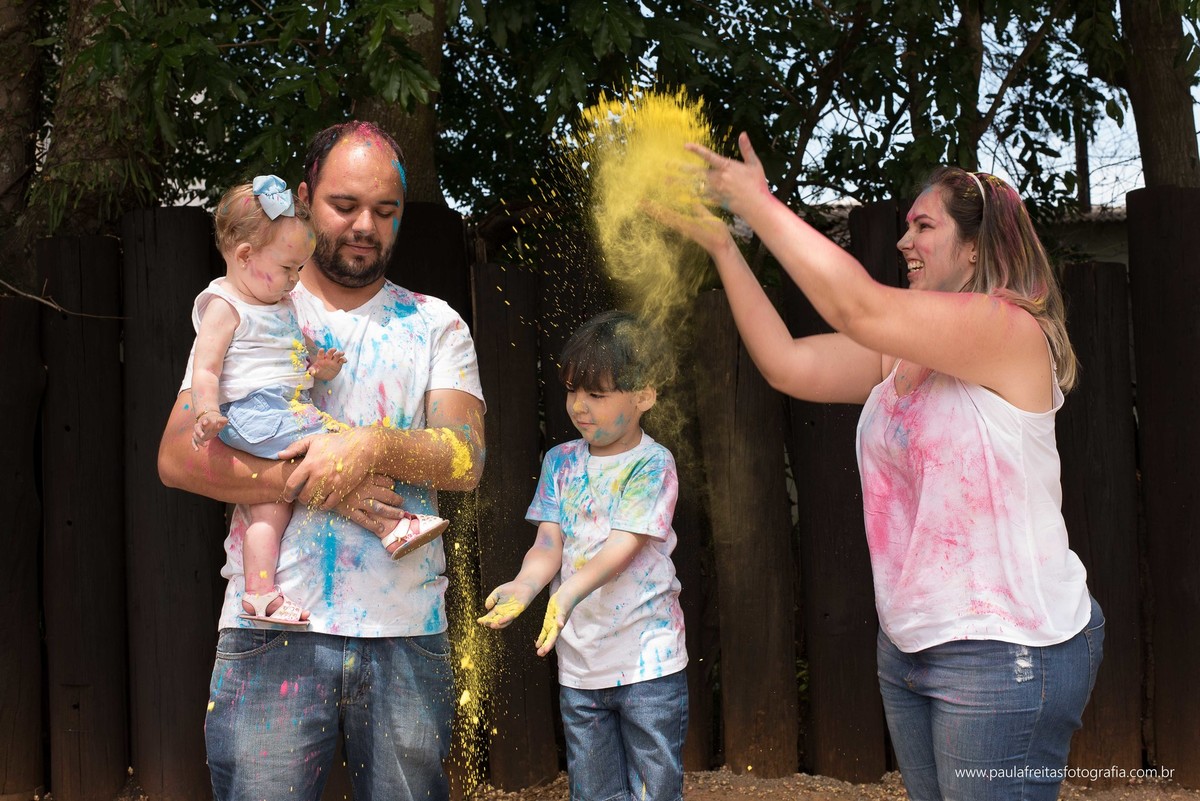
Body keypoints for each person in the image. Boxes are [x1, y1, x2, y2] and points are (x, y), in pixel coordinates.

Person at [658, 133, 1103, 801]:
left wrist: (758, 201)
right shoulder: (899, 356)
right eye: (905, 226)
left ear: (976, 248)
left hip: (1008, 651)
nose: (904, 241)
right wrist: (725, 245)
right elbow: (785, 362)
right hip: (911, 647)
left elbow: (856, 304)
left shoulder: (1010, 331)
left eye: (925, 225)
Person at [158, 120, 485, 801]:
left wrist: (368, 445)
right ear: (304, 199)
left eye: (386, 211)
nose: (366, 224)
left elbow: (467, 459)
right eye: (345, 205)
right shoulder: (248, 302)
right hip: (269, 628)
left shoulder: (437, 323)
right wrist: (315, 482)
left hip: (406, 635)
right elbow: (177, 458)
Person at [188, 175, 449, 627]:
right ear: (245, 256)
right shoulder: (224, 305)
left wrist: (318, 369)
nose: (295, 279)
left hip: (281, 408)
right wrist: (207, 410)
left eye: (298, 269)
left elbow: (291, 354)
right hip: (258, 413)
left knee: (269, 511)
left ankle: (261, 594)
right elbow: (206, 370)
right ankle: (392, 525)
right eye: (289, 268)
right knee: (346, 447)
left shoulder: (279, 302)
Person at [477, 310, 688, 801]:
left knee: (653, 793)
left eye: (596, 394)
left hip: (648, 663)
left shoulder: (653, 463)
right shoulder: (560, 461)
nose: (579, 406)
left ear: (644, 395)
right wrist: (526, 587)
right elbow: (549, 544)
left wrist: (568, 592)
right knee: (593, 793)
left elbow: (622, 546)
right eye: (572, 391)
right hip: (580, 664)